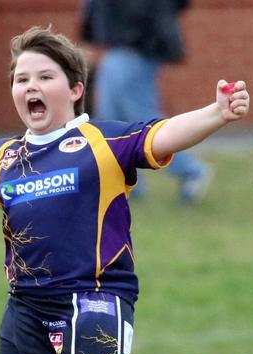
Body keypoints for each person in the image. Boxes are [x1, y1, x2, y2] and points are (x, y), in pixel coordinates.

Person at [0, 26, 250, 354]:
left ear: (76, 89)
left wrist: (216, 113)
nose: (31, 86)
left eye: (44, 77)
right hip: (24, 306)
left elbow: (162, 134)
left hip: (93, 302)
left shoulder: (101, 140)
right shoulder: (4, 157)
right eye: (21, 80)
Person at [81, 0, 212, 205]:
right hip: (117, 50)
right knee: (110, 120)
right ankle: (129, 184)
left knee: (142, 119)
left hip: (134, 49)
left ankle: (190, 171)